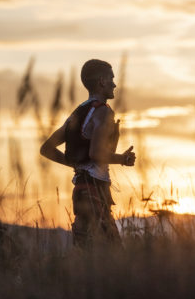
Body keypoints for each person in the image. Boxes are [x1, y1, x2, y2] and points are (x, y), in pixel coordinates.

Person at [40, 59, 135, 248]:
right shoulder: (103, 112)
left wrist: (75, 164)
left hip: (81, 192)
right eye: (111, 78)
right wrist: (123, 159)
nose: (114, 84)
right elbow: (96, 153)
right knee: (114, 257)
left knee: (86, 257)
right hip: (95, 192)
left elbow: (46, 149)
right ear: (101, 81)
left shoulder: (77, 114)